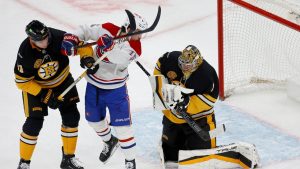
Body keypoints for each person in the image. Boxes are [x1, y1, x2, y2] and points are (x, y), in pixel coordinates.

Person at [151, 45, 260, 169]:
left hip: (199, 120)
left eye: (189, 65)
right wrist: (162, 90)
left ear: (197, 62)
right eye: (182, 64)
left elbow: (208, 103)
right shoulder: (170, 59)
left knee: (201, 160)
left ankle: (240, 154)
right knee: (170, 158)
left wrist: (187, 103)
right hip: (172, 119)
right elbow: (160, 65)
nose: (184, 68)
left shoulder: (207, 76)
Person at [63, 13, 148, 169]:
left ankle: (130, 161)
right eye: (139, 32)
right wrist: (73, 37)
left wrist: (110, 47)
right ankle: (110, 141)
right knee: (94, 121)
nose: (140, 37)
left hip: (116, 91)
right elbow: (86, 30)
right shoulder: (108, 28)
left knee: (123, 129)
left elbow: (120, 59)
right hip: (94, 85)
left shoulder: (136, 47)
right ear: (127, 27)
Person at [14, 20, 85, 169]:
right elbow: (21, 82)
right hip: (36, 86)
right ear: (31, 40)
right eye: (41, 40)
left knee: (72, 117)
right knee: (34, 123)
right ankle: (24, 163)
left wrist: (88, 59)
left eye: (47, 37)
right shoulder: (25, 52)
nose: (46, 41)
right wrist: (44, 95)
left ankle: (68, 159)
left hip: (63, 81)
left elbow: (83, 47)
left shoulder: (59, 37)